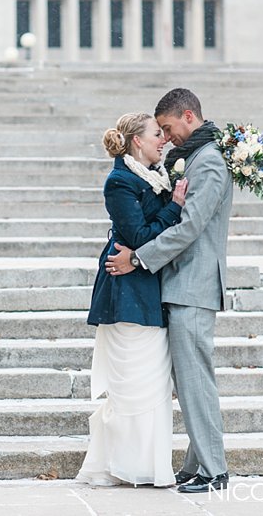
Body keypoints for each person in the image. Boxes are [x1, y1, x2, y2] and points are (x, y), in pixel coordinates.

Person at [106, 88, 232, 494]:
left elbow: (189, 227)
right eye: (158, 130)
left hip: (193, 285)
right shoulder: (194, 158)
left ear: (189, 116)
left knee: (196, 382)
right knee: (191, 380)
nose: (167, 135)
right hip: (182, 283)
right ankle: (199, 465)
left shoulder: (208, 163)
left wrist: (139, 258)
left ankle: (214, 471)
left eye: (167, 127)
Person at [76, 113, 187, 487]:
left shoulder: (154, 176)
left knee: (154, 383)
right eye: (158, 134)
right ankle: (122, 465)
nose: (164, 141)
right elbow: (138, 234)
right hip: (125, 292)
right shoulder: (120, 182)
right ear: (137, 141)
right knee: (135, 382)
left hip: (147, 286)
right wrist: (174, 206)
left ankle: (148, 466)